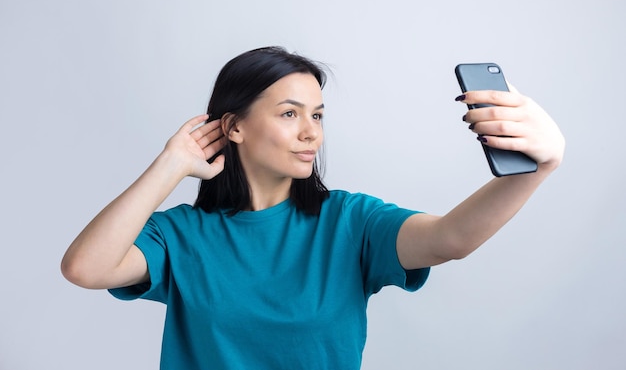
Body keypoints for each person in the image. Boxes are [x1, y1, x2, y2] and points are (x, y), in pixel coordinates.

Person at [61, 46, 565, 369]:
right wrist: (171, 164)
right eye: (289, 114)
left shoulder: (351, 222)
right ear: (233, 127)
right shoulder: (180, 235)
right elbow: (86, 268)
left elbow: (451, 239)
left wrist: (537, 169)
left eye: (318, 115)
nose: (311, 133)